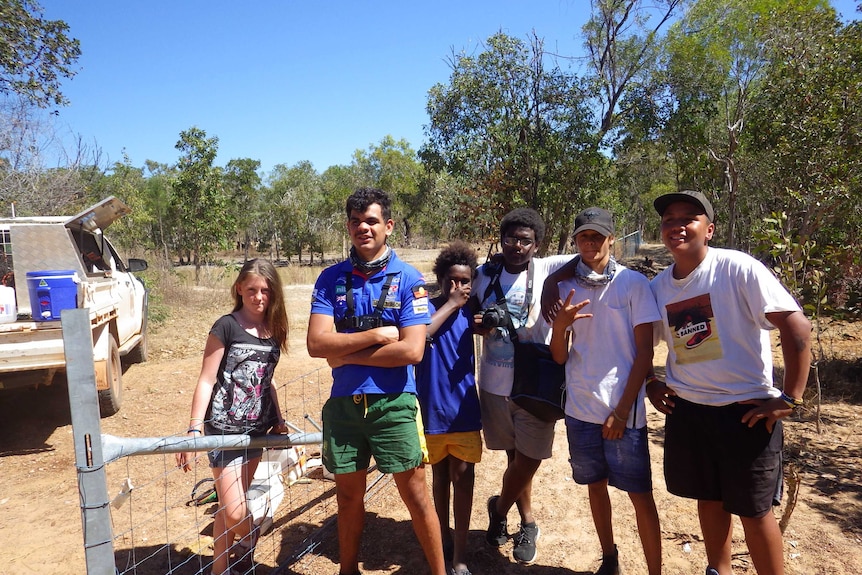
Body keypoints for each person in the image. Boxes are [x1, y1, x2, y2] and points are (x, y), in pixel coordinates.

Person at [646, 190, 811, 575]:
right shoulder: (658, 288)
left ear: (710, 229)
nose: (677, 225)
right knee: (709, 498)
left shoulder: (738, 269)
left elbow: (796, 325)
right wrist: (650, 385)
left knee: (754, 511)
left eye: (689, 217)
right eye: (670, 219)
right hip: (689, 411)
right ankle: (717, 570)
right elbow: (639, 343)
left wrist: (792, 397)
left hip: (746, 413)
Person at [306, 187, 446, 575]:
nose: (362, 228)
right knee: (348, 499)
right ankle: (347, 570)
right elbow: (316, 343)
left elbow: (412, 351)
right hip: (343, 407)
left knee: (416, 497)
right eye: (355, 221)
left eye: (370, 221)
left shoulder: (409, 279)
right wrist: (376, 335)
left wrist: (343, 353)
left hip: (394, 403)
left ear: (388, 226)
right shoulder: (330, 279)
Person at [545, 207, 662, 575]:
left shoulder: (633, 285)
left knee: (639, 494)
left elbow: (645, 352)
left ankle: (655, 570)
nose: (591, 242)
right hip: (581, 408)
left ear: (612, 238)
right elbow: (559, 356)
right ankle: (608, 556)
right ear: (576, 240)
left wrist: (623, 410)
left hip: (623, 410)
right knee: (595, 485)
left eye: (598, 236)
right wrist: (561, 325)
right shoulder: (565, 288)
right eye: (584, 236)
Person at [176, 258, 290, 575]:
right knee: (236, 511)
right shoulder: (226, 326)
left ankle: (219, 569)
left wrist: (279, 419)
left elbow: (268, 381)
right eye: (252, 289)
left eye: (266, 290)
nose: (259, 296)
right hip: (222, 430)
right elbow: (206, 379)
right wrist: (194, 428)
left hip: (256, 430)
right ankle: (250, 538)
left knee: (227, 511)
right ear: (239, 288)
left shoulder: (274, 329)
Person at [472, 207, 570, 565]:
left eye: (525, 240)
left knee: (530, 458)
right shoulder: (483, 276)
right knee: (514, 458)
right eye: (510, 238)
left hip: (535, 384)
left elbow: (588, 255)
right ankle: (527, 522)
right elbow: (465, 311)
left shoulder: (546, 270)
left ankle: (498, 510)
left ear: (537, 244)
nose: (516, 245)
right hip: (495, 385)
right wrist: (479, 323)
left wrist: (553, 288)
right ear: (501, 240)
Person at [416, 241, 482, 575]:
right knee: (440, 477)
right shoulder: (425, 309)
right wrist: (451, 304)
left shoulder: (473, 311)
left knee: (464, 477)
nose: (459, 287)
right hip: (432, 410)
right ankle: (441, 541)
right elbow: (422, 335)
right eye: (452, 280)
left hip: (464, 409)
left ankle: (460, 554)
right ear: (439, 279)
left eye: (465, 281)